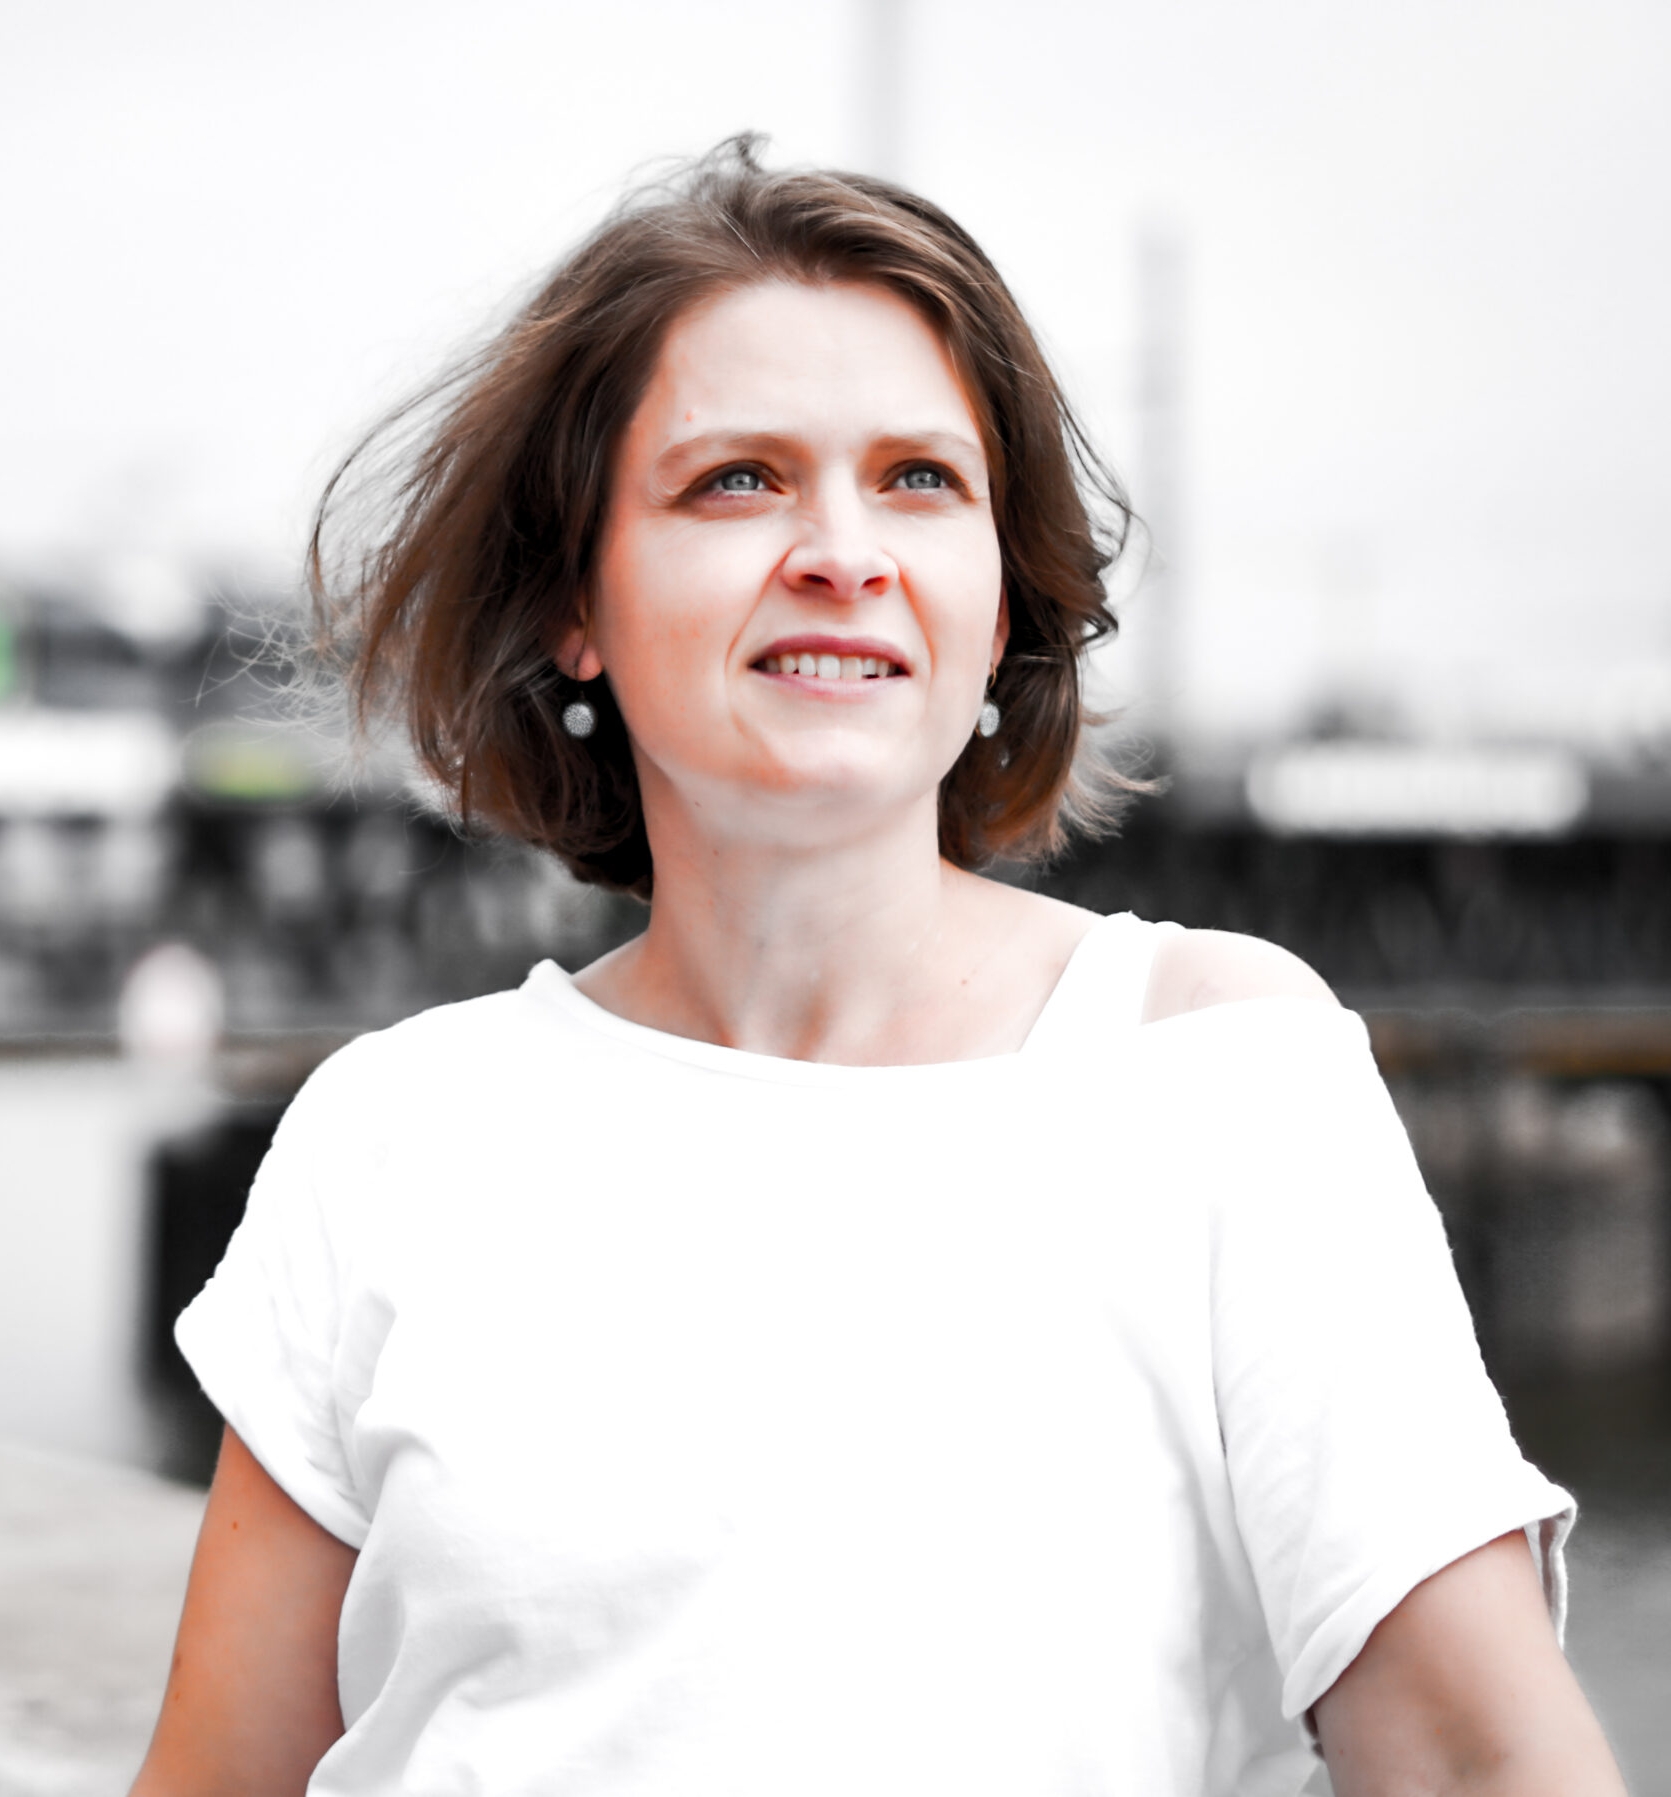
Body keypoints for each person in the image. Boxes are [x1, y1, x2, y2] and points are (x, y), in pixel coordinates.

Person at [130, 139, 1625, 1796]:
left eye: (920, 478)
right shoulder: (390, 1134)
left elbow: (1481, 1757)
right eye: (736, 480)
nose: (843, 549)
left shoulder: (1213, 1071)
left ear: (1003, 606)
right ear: (574, 606)